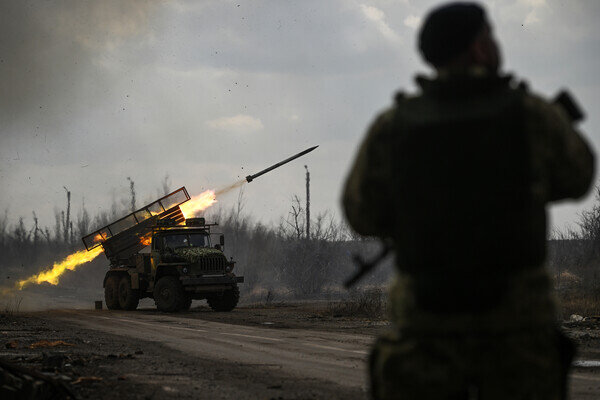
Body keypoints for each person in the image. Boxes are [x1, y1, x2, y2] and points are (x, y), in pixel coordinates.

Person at [342, 2, 594, 399]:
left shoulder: (395, 126)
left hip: (427, 325)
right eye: (490, 36)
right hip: (517, 333)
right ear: (478, 47)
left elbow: (361, 211)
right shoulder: (530, 115)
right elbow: (578, 177)